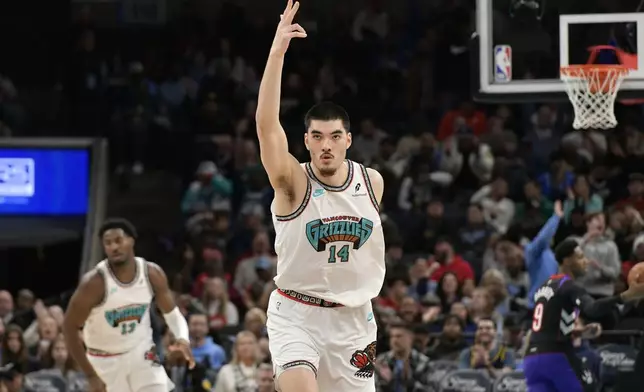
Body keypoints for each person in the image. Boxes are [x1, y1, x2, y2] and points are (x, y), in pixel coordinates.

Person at [255, 1, 386, 392]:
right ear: (306, 141)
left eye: (334, 136)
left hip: (354, 321)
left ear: (348, 140)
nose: (325, 145)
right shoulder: (292, 181)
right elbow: (266, 127)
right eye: (317, 137)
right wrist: (277, 53)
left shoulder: (372, 181)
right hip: (297, 312)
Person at [62, 218, 195, 392]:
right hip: (104, 359)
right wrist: (91, 375)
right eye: (108, 243)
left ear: (132, 240)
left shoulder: (151, 273)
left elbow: (172, 314)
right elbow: (69, 327)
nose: (114, 247)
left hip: (141, 354)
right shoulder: (94, 283)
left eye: (118, 240)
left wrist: (183, 339)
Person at [522, 239, 644, 392]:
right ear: (566, 261)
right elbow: (592, 309)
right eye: (580, 257)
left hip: (532, 361)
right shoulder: (569, 286)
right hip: (556, 356)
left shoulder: (544, 287)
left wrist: (580, 331)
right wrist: (626, 296)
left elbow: (547, 325)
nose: (586, 261)